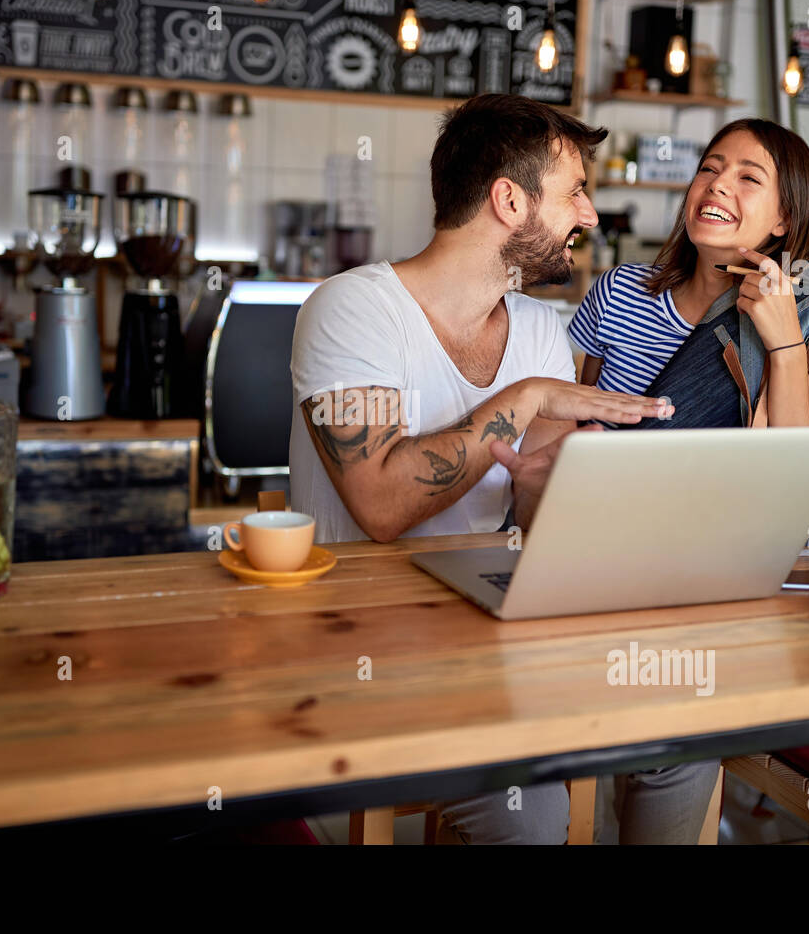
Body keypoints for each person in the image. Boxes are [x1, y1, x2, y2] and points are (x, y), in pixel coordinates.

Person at [288, 93, 718, 844]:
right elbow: (383, 504)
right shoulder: (350, 308)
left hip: (488, 637)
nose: (588, 214)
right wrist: (526, 398)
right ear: (508, 200)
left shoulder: (539, 330)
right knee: (531, 818)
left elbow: (542, 507)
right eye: (575, 191)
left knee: (686, 740)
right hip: (357, 652)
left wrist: (588, 484)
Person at [568, 118, 809, 432]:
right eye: (709, 168)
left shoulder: (805, 320)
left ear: (785, 219)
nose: (718, 184)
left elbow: (801, 468)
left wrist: (786, 345)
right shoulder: (618, 292)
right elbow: (582, 423)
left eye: (749, 177)